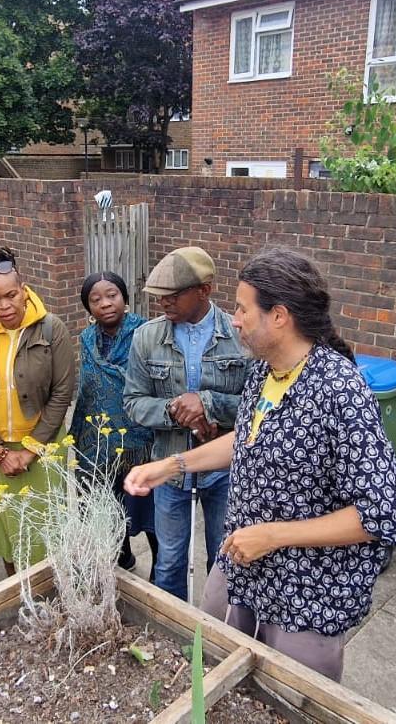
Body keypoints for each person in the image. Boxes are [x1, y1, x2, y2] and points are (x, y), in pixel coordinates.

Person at [125, 249, 396, 682]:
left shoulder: (340, 391)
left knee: (287, 698)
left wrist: (273, 535)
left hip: (305, 595)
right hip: (242, 567)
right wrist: (173, 465)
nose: (234, 320)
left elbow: (380, 514)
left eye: (242, 309)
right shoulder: (264, 372)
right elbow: (248, 438)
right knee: (215, 670)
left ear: (279, 316)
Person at [123, 246, 247, 601]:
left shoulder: (240, 335)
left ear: (204, 290)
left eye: (173, 295)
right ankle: (171, 628)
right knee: (169, 563)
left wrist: (209, 405)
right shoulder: (146, 337)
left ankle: (216, 628)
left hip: (225, 472)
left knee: (225, 562)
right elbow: (133, 402)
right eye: (159, 295)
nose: (163, 302)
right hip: (170, 470)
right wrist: (177, 410)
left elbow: (259, 408)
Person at [0, 246, 75, 576]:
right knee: (7, 527)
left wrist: (30, 449)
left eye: (11, 295)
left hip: (43, 447)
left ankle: (53, 590)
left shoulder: (51, 328)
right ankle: (18, 591)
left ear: (23, 289)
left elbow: (62, 393)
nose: (4, 305)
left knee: (46, 528)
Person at [68, 271, 158, 579]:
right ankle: (123, 556)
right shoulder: (86, 339)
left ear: (124, 298)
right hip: (97, 439)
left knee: (146, 507)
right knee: (107, 504)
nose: (105, 303)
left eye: (112, 295)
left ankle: (160, 568)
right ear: (88, 308)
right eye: (96, 299)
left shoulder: (146, 332)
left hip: (139, 440)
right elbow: (88, 389)